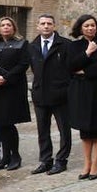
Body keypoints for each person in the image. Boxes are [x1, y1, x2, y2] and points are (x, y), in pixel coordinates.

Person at [0, 16, 31, 172]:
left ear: (14, 28)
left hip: (11, 89)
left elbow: (23, 64)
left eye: (9, 25)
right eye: (3, 25)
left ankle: (15, 156)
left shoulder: (22, 44)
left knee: (8, 124)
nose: (6, 27)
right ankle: (5, 157)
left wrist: (6, 78)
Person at [67, 15, 97, 180]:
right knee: (85, 128)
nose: (90, 28)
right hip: (81, 91)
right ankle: (86, 163)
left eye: (93, 25)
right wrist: (87, 53)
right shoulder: (74, 45)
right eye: (86, 26)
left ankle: (95, 163)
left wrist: (85, 71)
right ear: (80, 28)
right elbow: (71, 66)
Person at [29, 14, 72, 175]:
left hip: (60, 95)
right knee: (43, 130)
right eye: (42, 23)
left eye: (49, 23)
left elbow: (71, 69)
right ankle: (46, 160)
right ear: (38, 26)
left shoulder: (65, 45)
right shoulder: (32, 46)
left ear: (54, 26)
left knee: (64, 130)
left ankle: (61, 160)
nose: (46, 26)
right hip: (40, 95)